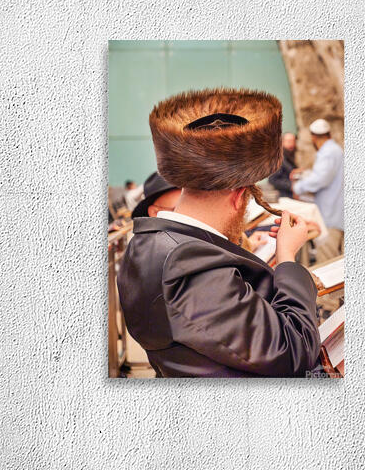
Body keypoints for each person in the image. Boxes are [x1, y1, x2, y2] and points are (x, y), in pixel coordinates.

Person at [116, 88, 324, 378]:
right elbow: (294, 351)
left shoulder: (145, 243)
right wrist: (288, 258)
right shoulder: (187, 266)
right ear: (239, 197)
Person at [292, 118, 344, 264]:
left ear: (313, 137)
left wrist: (297, 187)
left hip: (330, 216)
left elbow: (320, 178)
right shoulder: (335, 149)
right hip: (336, 214)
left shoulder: (328, 152)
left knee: (328, 261)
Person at [267, 132, 297, 197]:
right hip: (282, 197)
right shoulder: (278, 159)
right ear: (282, 142)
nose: (292, 144)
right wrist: (292, 185)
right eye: (289, 141)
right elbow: (273, 180)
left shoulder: (290, 157)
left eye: (293, 141)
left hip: (291, 196)